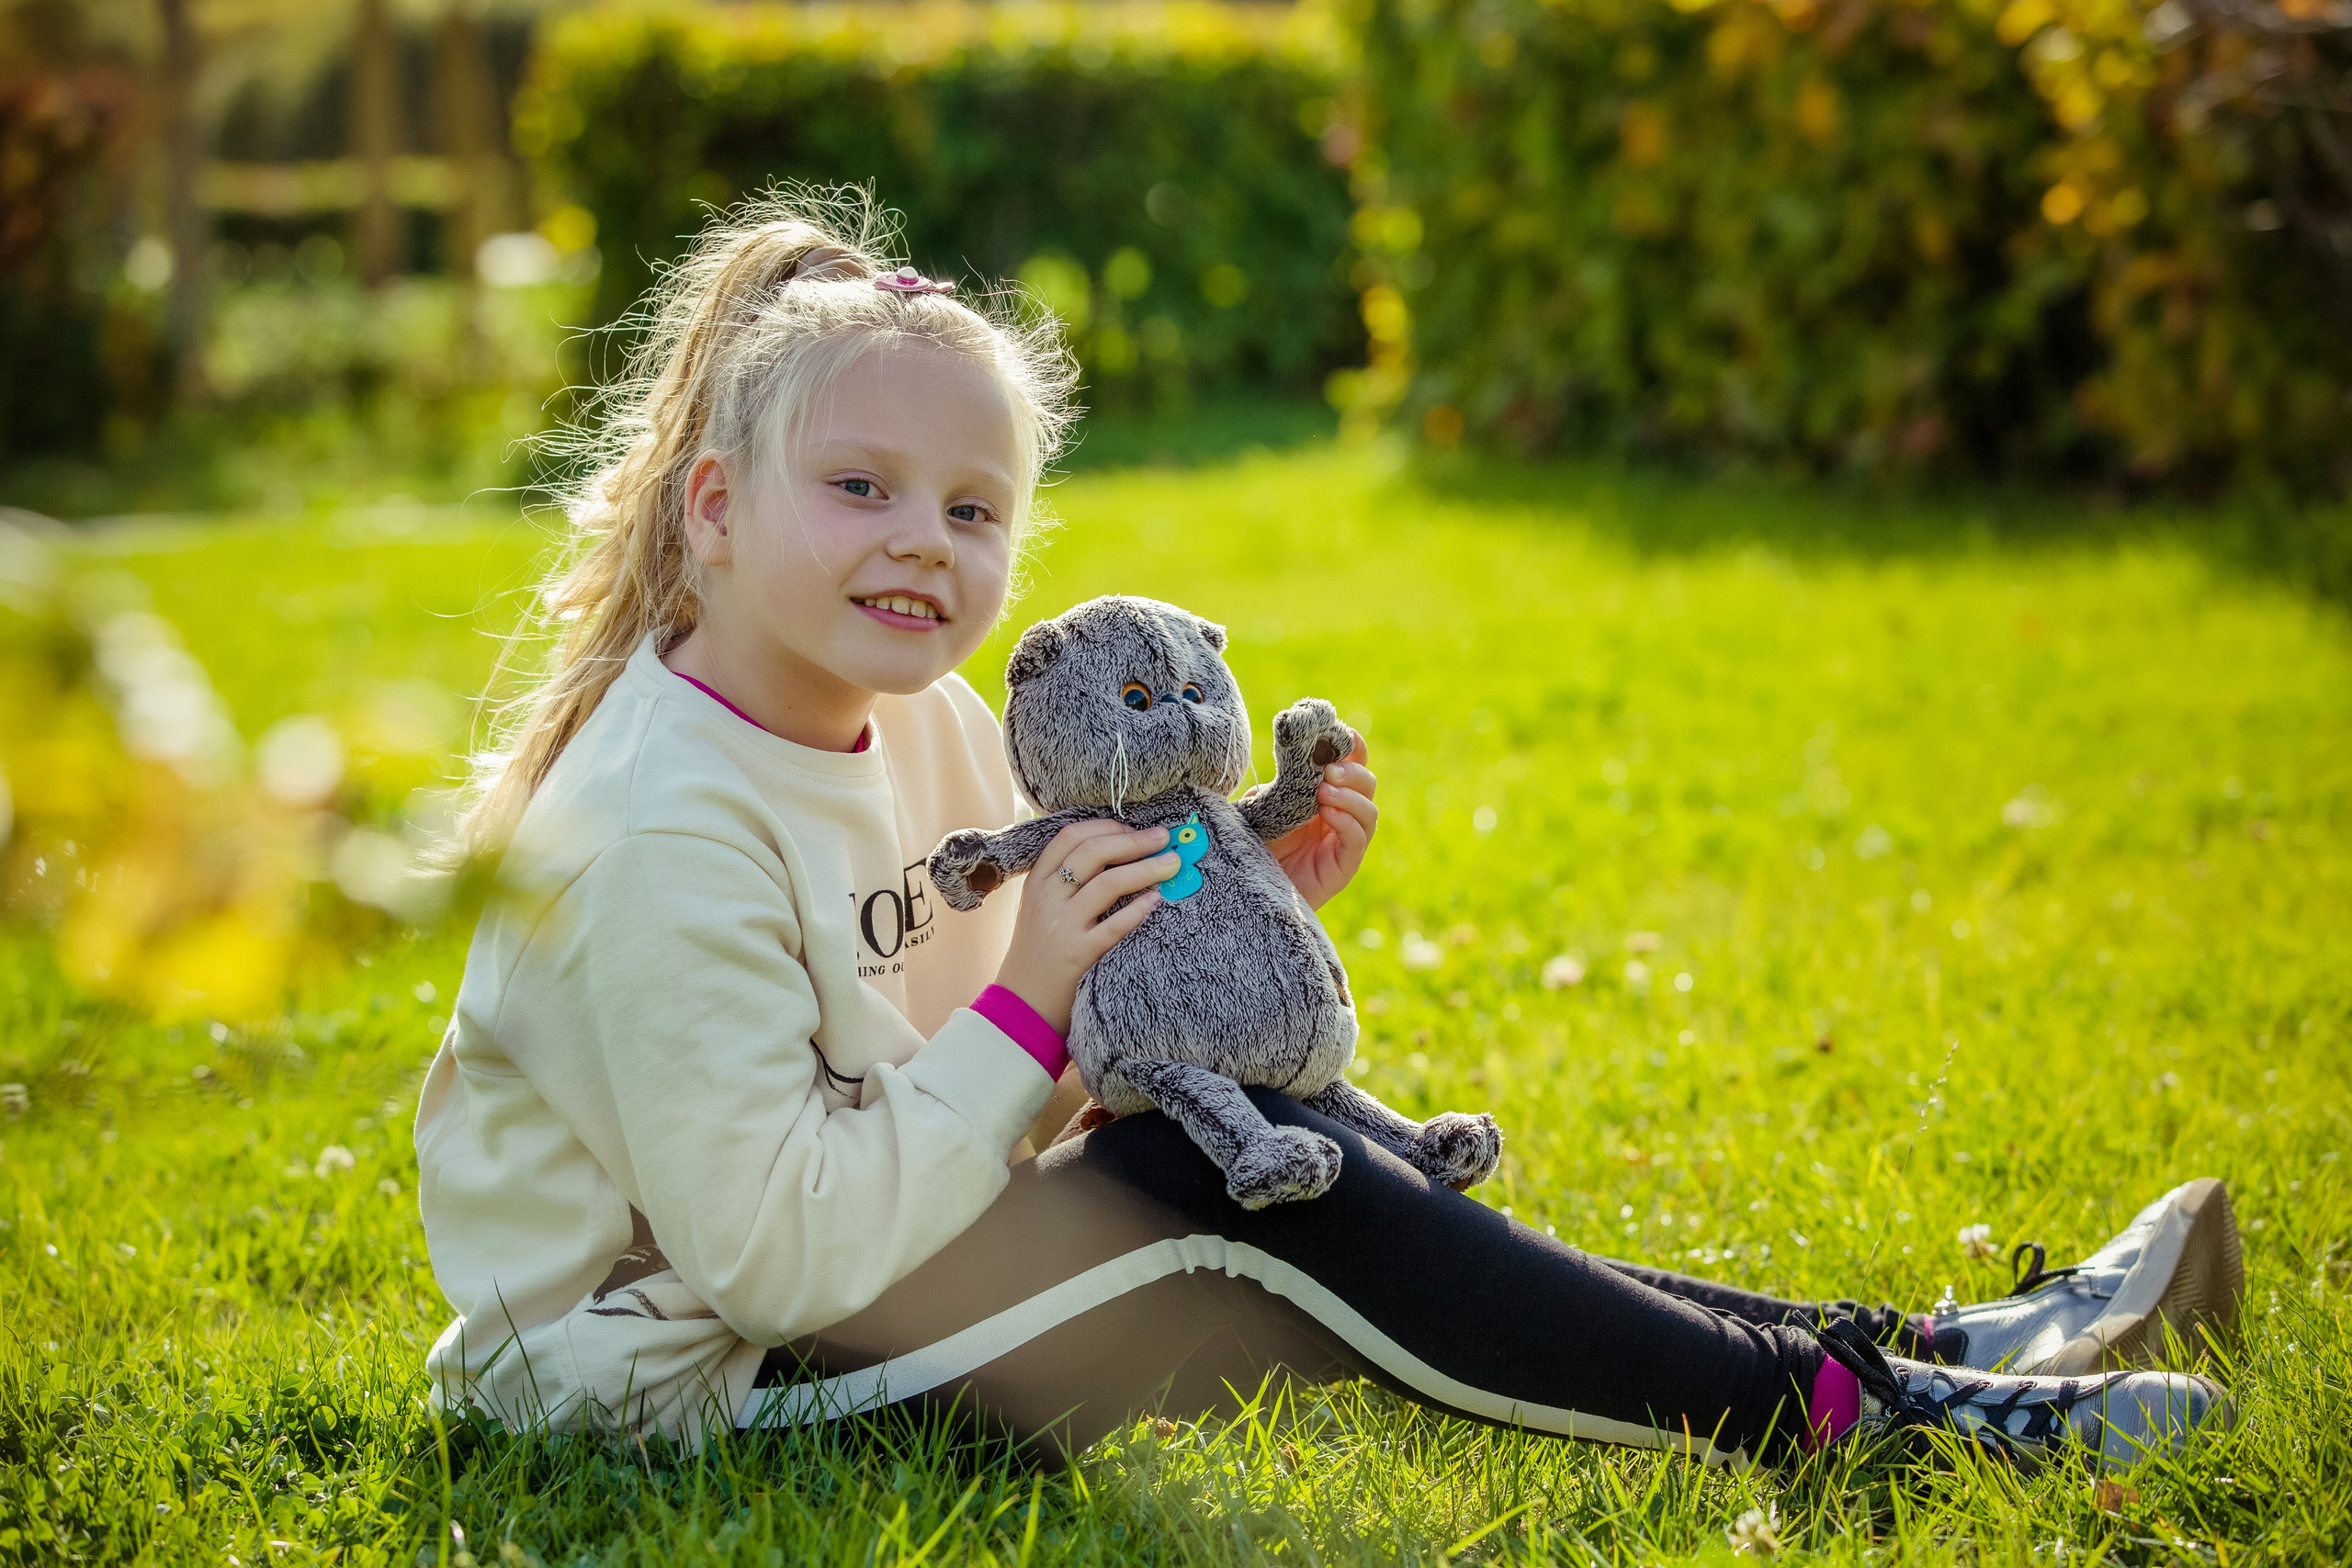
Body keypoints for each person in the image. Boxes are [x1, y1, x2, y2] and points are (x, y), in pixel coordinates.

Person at [413, 192, 2239, 1476]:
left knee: (1258, 1141)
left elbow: (1043, 1083)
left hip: (870, 1267)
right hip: (679, 1374)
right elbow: (778, 1253)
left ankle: (1915, 1345)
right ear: (715, 509)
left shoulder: (923, 716)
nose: (922, 540)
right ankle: (1860, 1419)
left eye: (972, 505)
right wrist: (1039, 998)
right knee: (1247, 1197)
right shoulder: (659, 826)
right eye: (859, 487)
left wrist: (1212, 927)